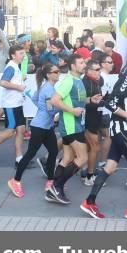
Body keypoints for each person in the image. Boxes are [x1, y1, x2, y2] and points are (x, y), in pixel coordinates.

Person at [80, 53, 127, 221]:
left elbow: (124, 101)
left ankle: (89, 202)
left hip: (122, 129)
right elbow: (110, 102)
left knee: (109, 167)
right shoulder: (126, 80)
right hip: (122, 130)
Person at [46, 55, 94, 204]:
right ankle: (57, 187)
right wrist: (72, 111)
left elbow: (75, 100)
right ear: (72, 66)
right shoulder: (68, 80)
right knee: (83, 158)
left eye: (84, 62)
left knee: (67, 158)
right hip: (71, 124)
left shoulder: (78, 80)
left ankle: (52, 189)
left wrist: (91, 100)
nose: (84, 64)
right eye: (81, 62)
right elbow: (54, 100)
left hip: (76, 123)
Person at [8, 63, 60, 198]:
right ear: (48, 75)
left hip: (46, 126)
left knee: (54, 151)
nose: (58, 73)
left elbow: (36, 100)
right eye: (55, 72)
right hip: (40, 127)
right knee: (30, 153)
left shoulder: (46, 87)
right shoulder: (48, 89)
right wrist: (63, 109)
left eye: (58, 71)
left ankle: (50, 180)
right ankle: (15, 180)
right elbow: (50, 110)